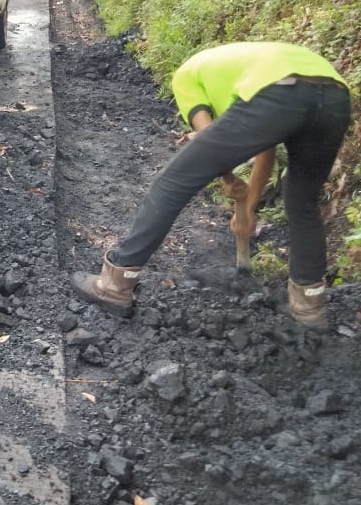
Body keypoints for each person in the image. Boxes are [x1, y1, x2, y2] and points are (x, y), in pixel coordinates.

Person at [72, 41, 351, 331]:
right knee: (303, 202)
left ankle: (114, 286)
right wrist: (247, 209)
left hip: (280, 90)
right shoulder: (242, 68)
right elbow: (264, 146)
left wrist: (230, 182)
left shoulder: (186, 75)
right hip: (335, 95)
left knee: (173, 181)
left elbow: (209, 146)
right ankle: (309, 310)